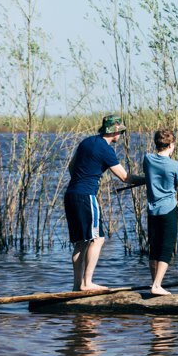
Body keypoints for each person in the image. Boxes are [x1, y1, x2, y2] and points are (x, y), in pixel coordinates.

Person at [64, 114, 144, 291]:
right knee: (97, 239)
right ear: (114, 132)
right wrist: (148, 179)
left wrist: (82, 178)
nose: (121, 135)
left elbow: (71, 167)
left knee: (81, 242)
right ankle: (87, 283)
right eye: (120, 132)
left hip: (71, 194)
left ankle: (77, 285)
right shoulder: (106, 150)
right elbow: (125, 177)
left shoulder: (86, 142)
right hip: (86, 196)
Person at [143, 129, 178, 295]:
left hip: (152, 211)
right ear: (171, 145)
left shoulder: (148, 159)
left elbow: (156, 173)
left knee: (154, 247)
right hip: (168, 210)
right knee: (166, 248)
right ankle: (157, 286)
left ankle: (155, 284)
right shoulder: (175, 165)